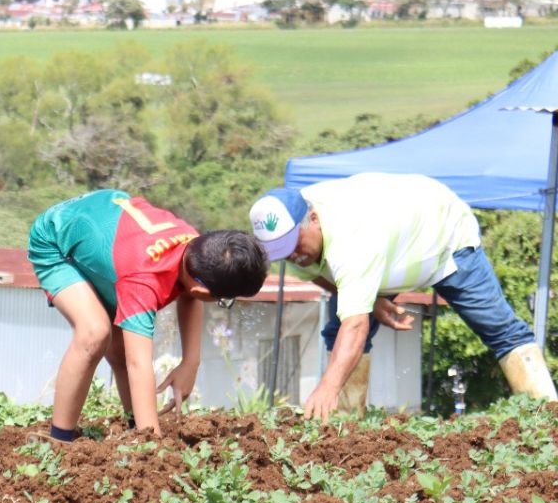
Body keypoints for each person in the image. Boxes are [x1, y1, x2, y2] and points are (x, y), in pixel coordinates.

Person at [249, 172, 557, 422]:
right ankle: (342, 428)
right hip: (388, 254)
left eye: (295, 243)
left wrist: (328, 386)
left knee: (498, 328)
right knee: (336, 332)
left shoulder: (351, 238)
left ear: (314, 218)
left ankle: (547, 419)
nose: (292, 254)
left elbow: (354, 327)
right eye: (282, 251)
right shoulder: (298, 242)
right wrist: (375, 300)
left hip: (443, 238)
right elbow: (320, 275)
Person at [28, 189, 269, 439]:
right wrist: (153, 444)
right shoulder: (144, 281)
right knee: (95, 333)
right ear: (201, 288)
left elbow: (189, 295)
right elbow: (138, 363)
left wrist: (190, 362)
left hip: (106, 224)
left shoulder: (199, 250)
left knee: (121, 347)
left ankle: (136, 429)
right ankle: (59, 438)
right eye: (222, 300)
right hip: (55, 241)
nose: (221, 302)